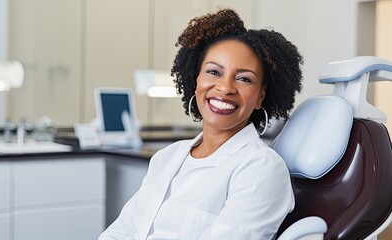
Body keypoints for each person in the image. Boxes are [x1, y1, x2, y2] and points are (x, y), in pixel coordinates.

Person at [99, 8, 303, 240]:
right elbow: (122, 231)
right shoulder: (167, 157)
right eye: (214, 72)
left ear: (260, 97)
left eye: (244, 78)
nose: (225, 88)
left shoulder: (260, 169)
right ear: (195, 81)